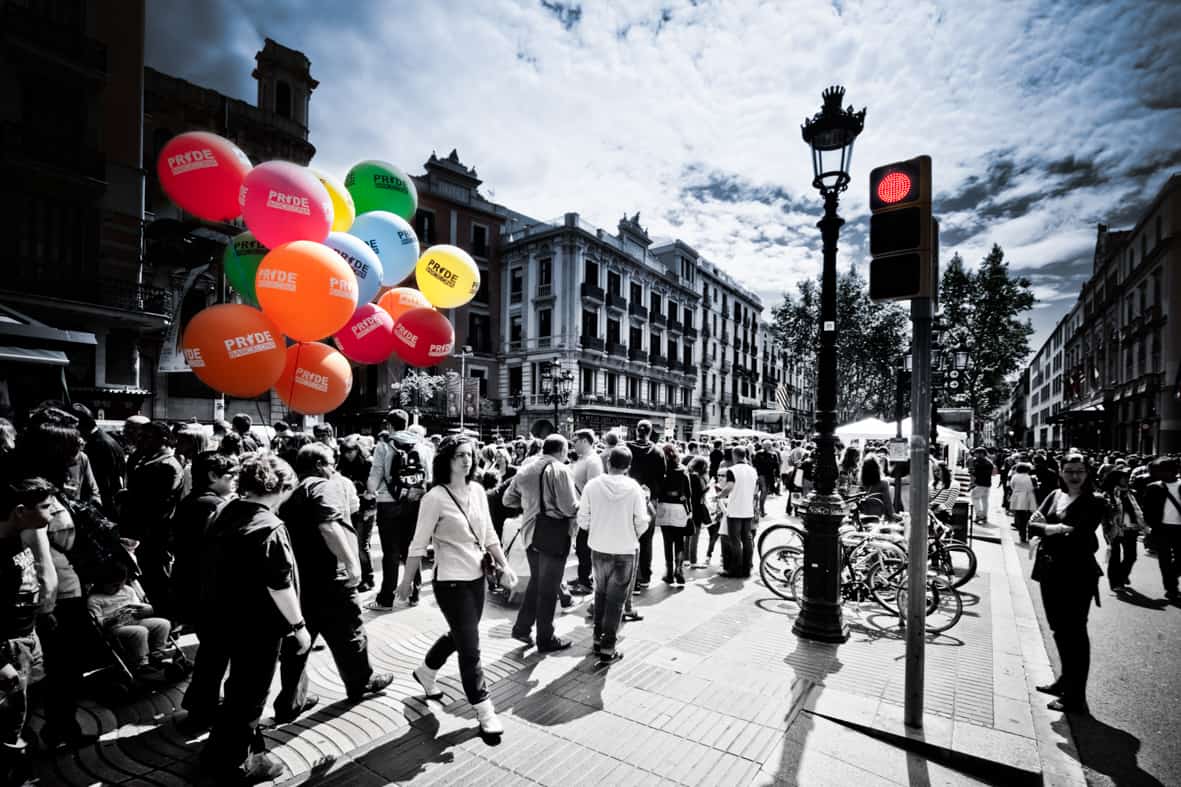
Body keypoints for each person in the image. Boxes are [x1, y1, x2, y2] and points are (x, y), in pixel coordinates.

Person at [199, 453, 308, 784]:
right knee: (249, 695)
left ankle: (218, 749)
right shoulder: (269, 527)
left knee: (236, 688)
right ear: (280, 487)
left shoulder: (222, 511)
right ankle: (235, 764)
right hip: (256, 625)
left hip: (219, 615)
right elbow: (280, 584)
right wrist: (300, 627)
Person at [398, 436, 516, 737]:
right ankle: (484, 708)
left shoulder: (477, 490)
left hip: (477, 576)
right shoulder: (434, 497)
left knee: (463, 635)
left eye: (470, 455)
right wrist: (405, 582)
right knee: (471, 648)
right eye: (459, 455)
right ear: (446, 460)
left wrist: (504, 565)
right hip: (450, 580)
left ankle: (425, 672)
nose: (466, 460)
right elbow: (417, 544)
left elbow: (489, 534)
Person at [274, 444, 392, 724]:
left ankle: (291, 701)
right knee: (350, 632)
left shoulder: (291, 491)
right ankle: (361, 682)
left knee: (298, 643)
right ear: (317, 464)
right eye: (330, 462)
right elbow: (328, 525)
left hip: (304, 580)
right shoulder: (321, 486)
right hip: (331, 578)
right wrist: (353, 564)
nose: (334, 467)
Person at [1028, 453, 1104, 715]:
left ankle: (1075, 697)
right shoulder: (1053, 495)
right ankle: (1064, 682)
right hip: (1049, 571)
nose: (1074, 476)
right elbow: (1032, 523)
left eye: (1079, 471)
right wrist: (1059, 528)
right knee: (1059, 630)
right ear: (1060, 471)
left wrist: (1050, 528)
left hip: (1077, 574)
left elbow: (1080, 532)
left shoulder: (1095, 501)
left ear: (1087, 473)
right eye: (1069, 470)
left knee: (1074, 633)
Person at [0, 477, 57, 784]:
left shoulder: (16, 539)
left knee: (22, 713)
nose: (52, 514)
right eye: (46, 507)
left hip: (26, 637)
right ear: (20, 511)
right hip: (8, 648)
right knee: (8, 721)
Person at [504, 435, 577, 652]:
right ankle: (546, 637)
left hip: (529, 533)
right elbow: (568, 508)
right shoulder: (560, 470)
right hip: (552, 534)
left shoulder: (525, 469)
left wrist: (530, 505)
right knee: (549, 587)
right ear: (562, 450)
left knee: (538, 581)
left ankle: (522, 628)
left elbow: (507, 499)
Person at [577, 446, 648, 666]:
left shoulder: (593, 485)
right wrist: (633, 533)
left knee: (600, 593)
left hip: (599, 547)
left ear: (608, 462)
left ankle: (598, 639)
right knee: (616, 600)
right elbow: (642, 520)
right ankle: (608, 647)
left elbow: (582, 518)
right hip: (625, 549)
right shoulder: (634, 488)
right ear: (628, 466)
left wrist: (595, 529)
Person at [366, 409, 431, 611]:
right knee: (413, 549)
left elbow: (376, 474)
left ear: (389, 425)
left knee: (391, 553)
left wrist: (370, 492)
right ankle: (414, 594)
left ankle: (386, 599)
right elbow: (428, 477)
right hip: (414, 502)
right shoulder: (423, 447)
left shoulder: (384, 446)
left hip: (388, 503)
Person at [170, 452, 237, 629]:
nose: (235, 481)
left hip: (188, 582)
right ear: (213, 476)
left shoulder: (191, 501)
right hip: (206, 586)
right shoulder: (213, 505)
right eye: (231, 476)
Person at [86, 562, 171, 680]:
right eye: (114, 586)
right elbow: (97, 623)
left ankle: (157, 655)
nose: (118, 589)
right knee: (140, 632)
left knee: (163, 624)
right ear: (102, 583)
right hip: (114, 627)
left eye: (120, 585)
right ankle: (142, 664)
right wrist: (113, 618)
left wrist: (145, 609)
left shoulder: (127, 590)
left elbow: (138, 605)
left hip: (134, 620)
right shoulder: (95, 599)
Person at [626, 421, 664, 590]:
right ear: (650, 432)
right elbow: (662, 475)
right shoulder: (657, 451)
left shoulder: (627, 448)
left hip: (628, 497)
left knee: (629, 537)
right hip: (650, 499)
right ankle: (644, 576)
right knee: (646, 539)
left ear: (636, 431)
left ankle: (631, 578)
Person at [338, 435, 376, 592]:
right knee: (352, 544)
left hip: (366, 507)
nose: (348, 454)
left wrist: (369, 505)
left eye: (351, 451)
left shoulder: (368, 464)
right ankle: (360, 576)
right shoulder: (343, 465)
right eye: (345, 451)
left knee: (362, 545)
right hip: (350, 507)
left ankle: (368, 578)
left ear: (357, 449)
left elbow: (373, 488)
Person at [1100, 467, 1146, 593]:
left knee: (1131, 556)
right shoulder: (1107, 495)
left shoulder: (1131, 493)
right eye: (1123, 478)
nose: (1127, 480)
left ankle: (1122, 575)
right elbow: (1104, 515)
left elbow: (1138, 511)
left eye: (1127, 477)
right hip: (1114, 529)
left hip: (1131, 528)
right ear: (1116, 479)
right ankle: (1115, 583)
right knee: (1115, 556)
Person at [1142, 456, 1181, 601]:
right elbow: (1147, 510)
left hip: (1180, 529)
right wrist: (1150, 527)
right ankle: (1171, 589)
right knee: (1164, 560)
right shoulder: (1153, 487)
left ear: (1172, 471)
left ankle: (1171, 577)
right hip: (1161, 529)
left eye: (1161, 470)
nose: (1158, 473)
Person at [568, 429, 602, 596]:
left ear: (584, 441)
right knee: (581, 548)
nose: (573, 444)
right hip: (581, 510)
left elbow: (594, 489)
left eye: (575, 441)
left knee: (584, 547)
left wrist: (587, 511)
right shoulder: (583, 459)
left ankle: (586, 581)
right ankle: (583, 577)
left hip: (588, 512)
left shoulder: (593, 461)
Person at [717, 445, 758, 578]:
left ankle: (735, 569)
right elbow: (756, 490)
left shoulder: (732, 470)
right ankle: (747, 568)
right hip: (748, 509)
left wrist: (718, 496)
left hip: (735, 509)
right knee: (747, 539)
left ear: (734, 456)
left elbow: (729, 487)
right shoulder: (753, 470)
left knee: (735, 541)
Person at [654, 443, 691, 586]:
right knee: (679, 541)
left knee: (667, 541)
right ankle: (679, 570)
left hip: (664, 507)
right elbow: (688, 493)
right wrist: (689, 511)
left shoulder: (660, 470)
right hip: (679, 508)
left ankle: (669, 573)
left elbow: (657, 490)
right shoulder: (682, 469)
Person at [686, 456, 711, 568]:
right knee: (695, 535)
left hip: (687, 507)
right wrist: (708, 487)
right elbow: (699, 494)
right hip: (697, 508)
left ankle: (685, 559)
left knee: (687, 535)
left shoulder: (687, 474)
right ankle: (693, 561)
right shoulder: (697, 477)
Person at [1008, 462, 1037, 543]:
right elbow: (1034, 487)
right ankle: (1029, 534)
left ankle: (1022, 534)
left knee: (1018, 515)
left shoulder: (1014, 477)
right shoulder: (1031, 478)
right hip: (1028, 497)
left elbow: (1012, 486)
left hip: (1017, 496)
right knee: (1028, 517)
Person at [752, 440, 780, 518]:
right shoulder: (762, 454)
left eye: (769, 446)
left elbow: (776, 466)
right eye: (768, 446)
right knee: (763, 492)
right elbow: (776, 466)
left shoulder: (772, 454)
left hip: (766, 475)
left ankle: (759, 509)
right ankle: (761, 510)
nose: (769, 447)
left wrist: (777, 475)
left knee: (763, 492)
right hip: (762, 475)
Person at [969, 447, 994, 525]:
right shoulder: (989, 462)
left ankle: (979, 515)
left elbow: (973, 474)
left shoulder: (976, 462)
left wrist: (971, 483)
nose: (975, 454)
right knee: (985, 501)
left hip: (979, 483)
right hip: (987, 484)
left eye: (976, 453)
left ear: (980, 453)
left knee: (975, 498)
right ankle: (985, 516)